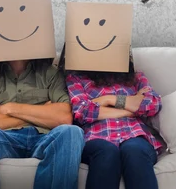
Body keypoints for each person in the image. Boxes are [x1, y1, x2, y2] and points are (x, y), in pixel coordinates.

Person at [0, 55, 84, 189]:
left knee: (72, 132)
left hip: (45, 137)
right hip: (5, 138)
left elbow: (64, 118)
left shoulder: (51, 73)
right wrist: (41, 112)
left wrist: (10, 108)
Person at [59, 45, 162, 189]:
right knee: (107, 151)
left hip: (134, 136)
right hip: (95, 139)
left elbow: (152, 104)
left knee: (134, 150)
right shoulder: (76, 79)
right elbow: (82, 111)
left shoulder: (136, 77)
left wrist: (109, 100)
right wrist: (131, 106)